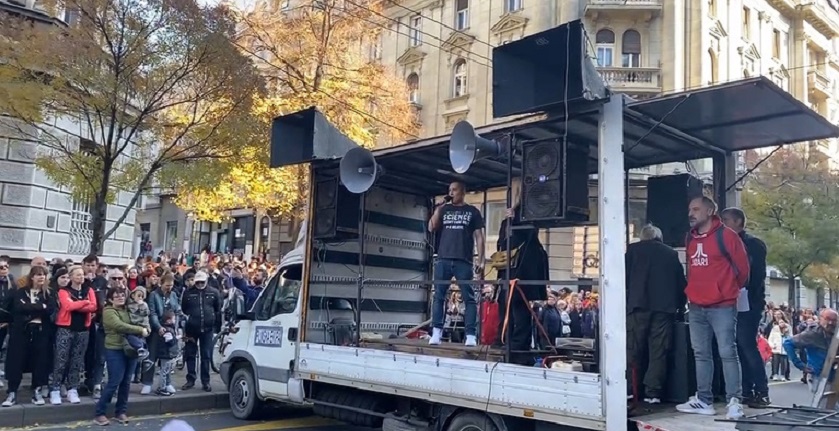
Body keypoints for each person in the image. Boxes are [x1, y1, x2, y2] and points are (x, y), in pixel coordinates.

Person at [676, 196, 749, 419]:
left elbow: (743, 271)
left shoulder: (727, 236)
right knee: (701, 353)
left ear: (709, 211)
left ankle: (734, 401)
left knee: (727, 352)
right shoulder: (690, 237)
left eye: (696, 209)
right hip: (697, 304)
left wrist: (726, 291)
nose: (691, 213)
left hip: (722, 305)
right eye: (690, 209)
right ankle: (704, 399)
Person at [625, 224, 687, 405]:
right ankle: (653, 393)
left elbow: (622, 277)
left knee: (633, 350)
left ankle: (631, 389)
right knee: (658, 351)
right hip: (664, 309)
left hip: (637, 306)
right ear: (659, 237)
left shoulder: (633, 250)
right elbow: (681, 284)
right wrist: (680, 307)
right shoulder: (671, 253)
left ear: (642, 236)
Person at [720, 207, 771, 407]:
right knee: (740, 347)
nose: (722, 223)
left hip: (748, 301)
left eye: (726, 220)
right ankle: (747, 389)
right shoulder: (723, 243)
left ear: (738, 222)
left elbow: (756, 275)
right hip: (732, 301)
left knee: (746, 345)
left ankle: (761, 390)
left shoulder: (752, 244)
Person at [427, 181, 485, 346]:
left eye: (454, 190)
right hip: (443, 258)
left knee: (469, 297)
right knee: (439, 295)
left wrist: (480, 259)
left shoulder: (472, 211)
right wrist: (438, 208)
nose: (451, 192)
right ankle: (437, 332)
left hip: (463, 260)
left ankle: (471, 335)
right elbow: (431, 227)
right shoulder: (444, 209)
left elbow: (479, 236)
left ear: (463, 192)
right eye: (449, 190)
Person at [494, 177, 548, 351]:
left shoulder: (527, 215)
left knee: (519, 304)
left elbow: (530, 235)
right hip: (507, 268)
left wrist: (515, 217)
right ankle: (503, 337)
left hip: (522, 267)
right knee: (504, 303)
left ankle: (519, 342)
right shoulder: (506, 222)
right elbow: (501, 242)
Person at [94, 284, 150, 426]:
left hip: (130, 349)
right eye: (116, 295)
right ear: (110, 298)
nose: (120, 297)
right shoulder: (108, 311)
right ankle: (100, 412)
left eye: (122, 294)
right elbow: (119, 325)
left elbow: (141, 317)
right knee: (115, 381)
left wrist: (146, 328)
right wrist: (140, 329)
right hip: (115, 349)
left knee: (126, 382)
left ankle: (121, 412)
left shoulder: (128, 309)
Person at [2, 266, 54, 407]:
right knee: (16, 361)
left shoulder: (48, 294)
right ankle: (12, 392)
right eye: (38, 275)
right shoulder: (20, 292)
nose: (41, 277)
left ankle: (37, 390)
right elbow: (19, 308)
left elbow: (49, 309)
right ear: (32, 277)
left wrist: (32, 306)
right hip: (21, 331)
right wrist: (39, 307)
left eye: (43, 275)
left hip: (41, 331)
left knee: (39, 361)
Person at [50, 266, 97, 405]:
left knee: (77, 360)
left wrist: (78, 304)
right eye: (77, 275)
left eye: (82, 275)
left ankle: (73, 389)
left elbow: (94, 306)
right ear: (70, 277)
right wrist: (84, 303)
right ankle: (55, 388)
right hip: (66, 328)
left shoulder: (89, 290)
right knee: (61, 359)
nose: (81, 277)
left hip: (83, 329)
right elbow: (67, 307)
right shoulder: (64, 291)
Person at [181, 270, 221, 392]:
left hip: (208, 329)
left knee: (206, 356)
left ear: (206, 281)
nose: (199, 285)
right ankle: (191, 379)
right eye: (197, 282)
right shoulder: (188, 293)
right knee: (190, 354)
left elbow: (217, 308)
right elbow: (184, 308)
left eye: (202, 282)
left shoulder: (214, 292)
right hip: (191, 328)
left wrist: (215, 326)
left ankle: (206, 381)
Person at [142, 272, 182, 395]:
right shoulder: (154, 295)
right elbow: (152, 312)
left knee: (168, 358)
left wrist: (176, 327)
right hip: (156, 328)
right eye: (167, 285)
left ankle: (167, 383)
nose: (169, 288)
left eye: (171, 285)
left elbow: (177, 310)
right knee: (151, 356)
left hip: (170, 329)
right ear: (161, 283)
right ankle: (147, 383)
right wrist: (158, 327)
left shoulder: (174, 295)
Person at [783, 307, 839, 393]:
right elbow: (788, 343)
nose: (830, 323)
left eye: (834, 320)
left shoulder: (836, 333)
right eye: (827, 319)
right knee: (824, 404)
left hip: (835, 375)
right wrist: (800, 365)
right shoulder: (813, 334)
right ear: (820, 319)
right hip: (818, 375)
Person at [154, 310, 180, 396]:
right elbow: (170, 342)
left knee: (166, 370)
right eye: (174, 319)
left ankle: (163, 386)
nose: (175, 321)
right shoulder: (168, 330)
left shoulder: (168, 329)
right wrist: (176, 338)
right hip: (166, 353)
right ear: (168, 320)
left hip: (166, 353)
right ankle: (162, 388)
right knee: (164, 371)